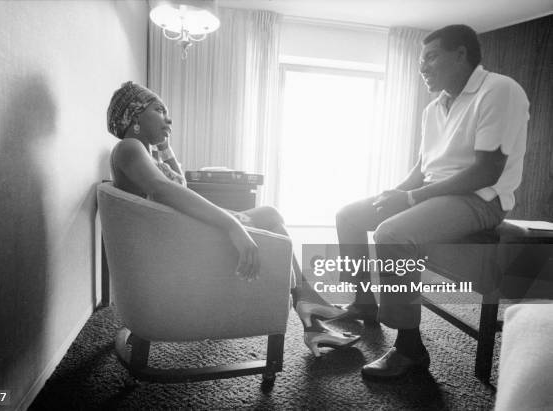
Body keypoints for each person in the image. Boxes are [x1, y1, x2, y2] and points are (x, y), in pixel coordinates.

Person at [106, 81, 360, 362]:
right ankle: (307, 305)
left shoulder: (143, 152)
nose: (169, 119)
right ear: (135, 115)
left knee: (271, 218)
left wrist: (165, 145)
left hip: (180, 238)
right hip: (176, 250)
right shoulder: (129, 147)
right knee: (271, 217)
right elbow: (163, 189)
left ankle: (310, 315)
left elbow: (181, 185)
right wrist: (231, 224)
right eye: (159, 110)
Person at [336, 25, 529, 379]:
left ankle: (410, 349)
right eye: (420, 60)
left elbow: (487, 171)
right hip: (435, 194)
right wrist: (393, 195)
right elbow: (423, 168)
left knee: (391, 234)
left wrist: (411, 198)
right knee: (349, 215)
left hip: (480, 199)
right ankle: (363, 301)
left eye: (430, 57)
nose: (422, 67)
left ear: (461, 54)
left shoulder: (499, 90)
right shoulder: (433, 108)